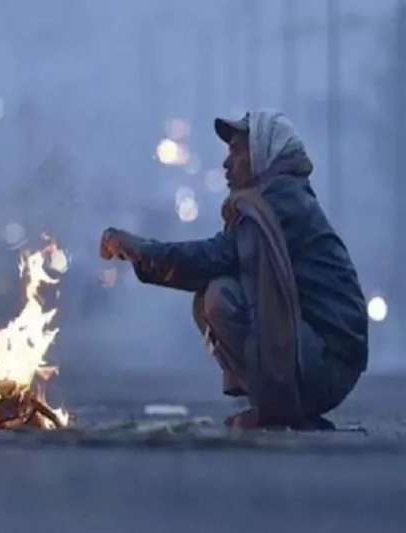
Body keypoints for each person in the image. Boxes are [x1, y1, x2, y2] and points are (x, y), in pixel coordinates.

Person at [100, 110, 368, 429]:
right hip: (321, 355)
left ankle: (280, 410)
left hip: (328, 361)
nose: (228, 163)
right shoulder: (271, 200)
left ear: (265, 154)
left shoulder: (280, 203)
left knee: (220, 296)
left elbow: (215, 257)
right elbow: (221, 256)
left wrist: (141, 249)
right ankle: (282, 407)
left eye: (238, 151)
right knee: (212, 294)